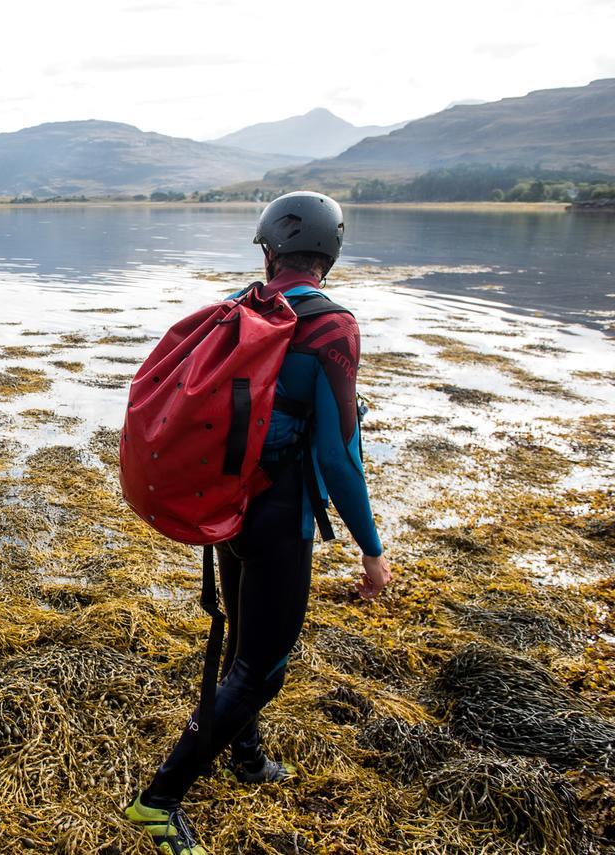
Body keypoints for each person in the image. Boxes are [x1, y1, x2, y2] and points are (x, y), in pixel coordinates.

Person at [125, 191, 393, 855]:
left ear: (268, 253)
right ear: (329, 254)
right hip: (281, 520)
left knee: (246, 644)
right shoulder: (332, 326)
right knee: (263, 666)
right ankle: (158, 800)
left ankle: (246, 758)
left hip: (234, 510)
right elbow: (338, 457)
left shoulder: (249, 309)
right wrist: (372, 549)